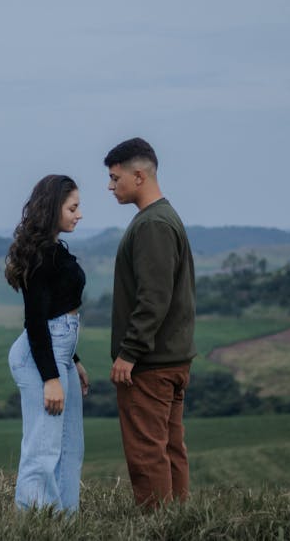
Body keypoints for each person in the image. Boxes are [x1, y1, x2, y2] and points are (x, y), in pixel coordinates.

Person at [104, 138, 196, 508]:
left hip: (151, 364)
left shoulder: (152, 225)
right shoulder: (163, 218)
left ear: (138, 176)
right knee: (170, 448)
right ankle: (179, 524)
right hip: (170, 358)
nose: (110, 187)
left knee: (147, 455)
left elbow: (153, 298)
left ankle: (158, 527)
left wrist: (129, 353)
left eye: (114, 178)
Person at [5, 174, 89, 512]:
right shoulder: (41, 255)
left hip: (60, 353)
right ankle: (32, 525)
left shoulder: (55, 249)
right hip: (41, 357)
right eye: (73, 207)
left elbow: (57, 310)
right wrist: (51, 377)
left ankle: (65, 523)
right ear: (54, 208)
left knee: (69, 447)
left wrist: (74, 360)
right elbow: (37, 321)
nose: (79, 214)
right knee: (42, 450)